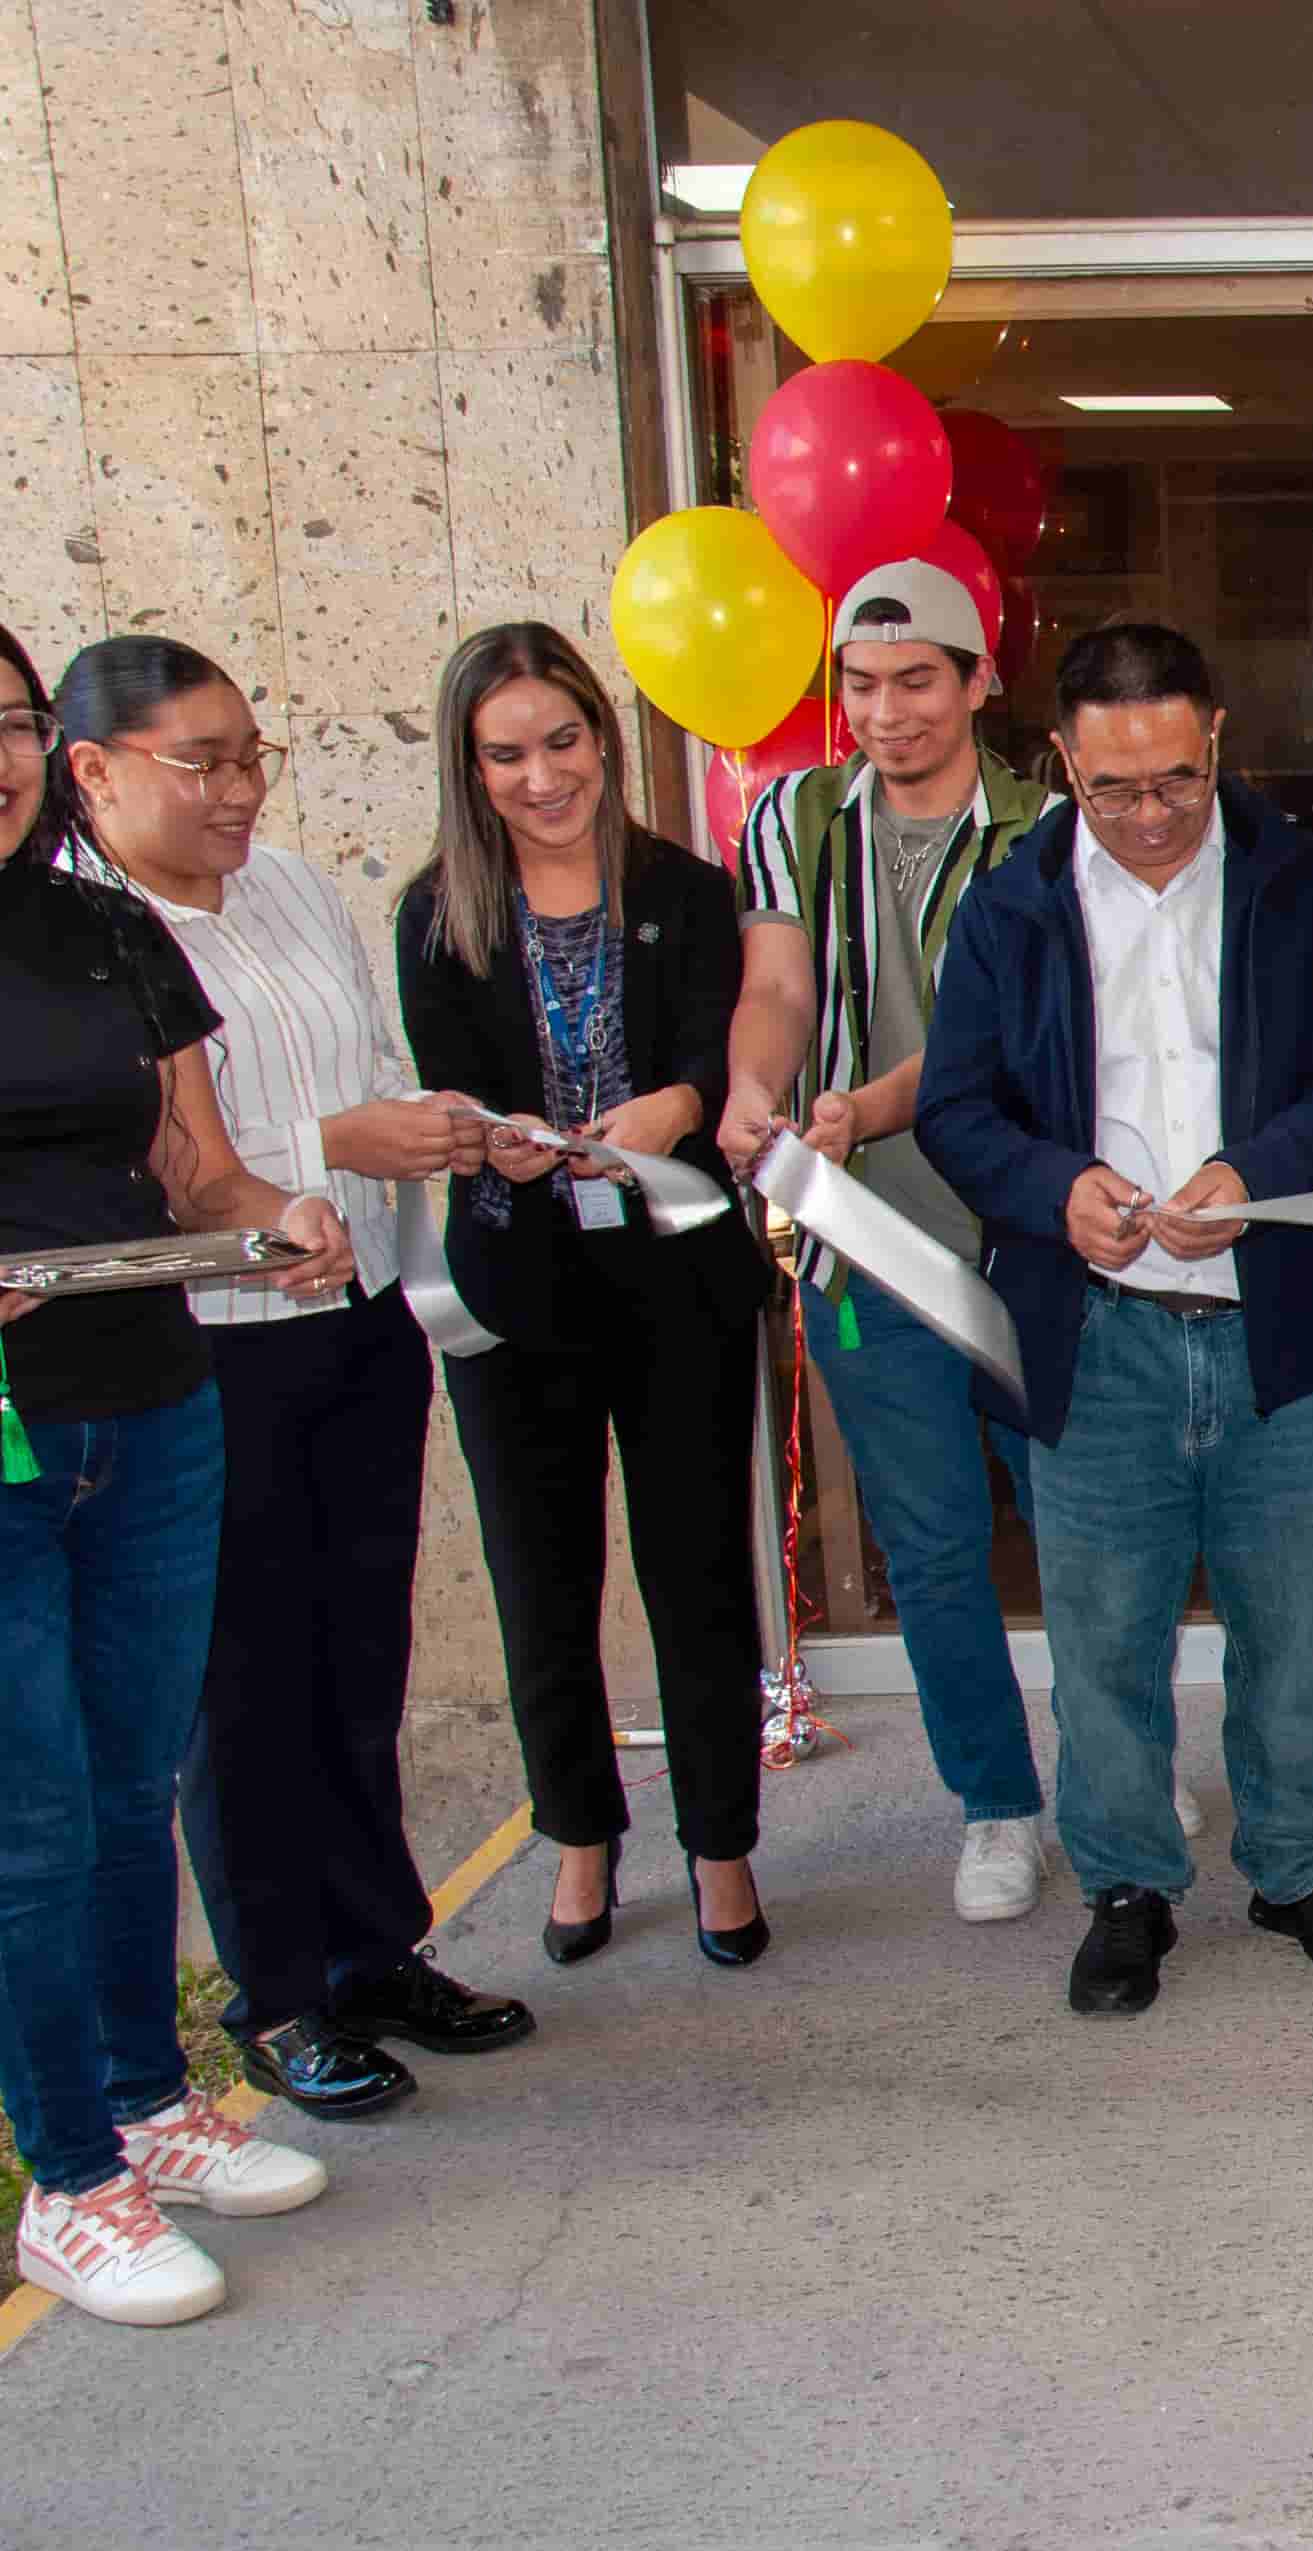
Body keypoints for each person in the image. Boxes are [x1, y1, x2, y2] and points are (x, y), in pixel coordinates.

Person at [56, 639, 530, 2125]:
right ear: (95, 770)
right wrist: (343, 1145)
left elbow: (374, 1063)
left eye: (254, 753)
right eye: (203, 764)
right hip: (210, 1341)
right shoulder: (78, 935)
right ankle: (278, 1992)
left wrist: (451, 1124)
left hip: (362, 1315)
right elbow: (149, 1157)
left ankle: (378, 1948)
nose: (241, 790)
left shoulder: (292, 887)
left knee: (354, 1661)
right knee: (242, 1684)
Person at [922, 623, 1313, 2017]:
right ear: (1063, 758)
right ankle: (1127, 1884)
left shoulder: (1304, 885)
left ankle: (1299, 1863)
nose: (1146, 815)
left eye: (1175, 782)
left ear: (1218, 742)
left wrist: (1255, 1176)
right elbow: (956, 1108)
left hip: (1274, 1321)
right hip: (1097, 1324)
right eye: (1113, 786)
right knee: (1103, 1635)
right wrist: (1055, 1187)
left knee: (1289, 1626)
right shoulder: (1009, 910)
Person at [3, 619, 357, 2328]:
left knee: (134, 1779)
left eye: (2, 720)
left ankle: (151, 2104)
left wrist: (278, 1221)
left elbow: (196, 1167)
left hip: (149, 1399)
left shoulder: (102, 933)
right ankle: (67, 2178)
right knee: (32, 1820)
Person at [398, 622, 779, 1972]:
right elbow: (448, 1079)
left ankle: (720, 1840)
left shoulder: (683, 883)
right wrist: (488, 1130)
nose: (542, 775)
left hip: (677, 1278)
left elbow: (702, 1055)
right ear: (470, 765)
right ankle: (578, 1834)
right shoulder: (436, 909)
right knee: (540, 1580)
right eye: (506, 753)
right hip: (514, 1282)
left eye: (563, 740)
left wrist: (673, 1104)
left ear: (604, 738)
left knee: (697, 1569)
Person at [722, 559, 1064, 1924]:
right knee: (930, 1546)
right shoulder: (792, 814)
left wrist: (866, 1103)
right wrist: (758, 1085)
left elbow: (1003, 1034)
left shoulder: (1050, 825)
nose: (884, 710)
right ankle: (997, 1804)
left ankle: (1120, 1765)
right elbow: (777, 980)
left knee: (1089, 1529)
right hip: (864, 1247)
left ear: (979, 680)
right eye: (857, 684)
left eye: (915, 680)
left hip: (1036, 1237)